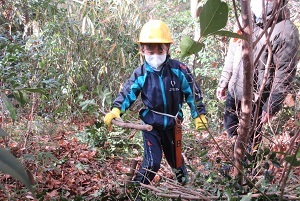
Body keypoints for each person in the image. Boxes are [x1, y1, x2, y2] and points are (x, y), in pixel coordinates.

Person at [103, 20, 207, 185]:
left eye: (161, 48)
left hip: (174, 124)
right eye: (150, 47)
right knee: (152, 162)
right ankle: (136, 190)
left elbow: (193, 92)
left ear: (168, 48)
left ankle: (186, 188)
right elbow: (127, 93)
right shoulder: (141, 73)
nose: (156, 52)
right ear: (142, 49)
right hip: (151, 125)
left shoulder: (179, 69)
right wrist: (116, 110)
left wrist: (199, 114)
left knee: (177, 162)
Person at [216, 0, 299, 150]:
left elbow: (284, 73)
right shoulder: (244, 20)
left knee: (250, 143)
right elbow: (233, 52)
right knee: (231, 134)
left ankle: (248, 171)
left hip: (257, 99)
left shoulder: (286, 31)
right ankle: (232, 170)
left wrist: (271, 105)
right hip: (234, 93)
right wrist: (224, 81)